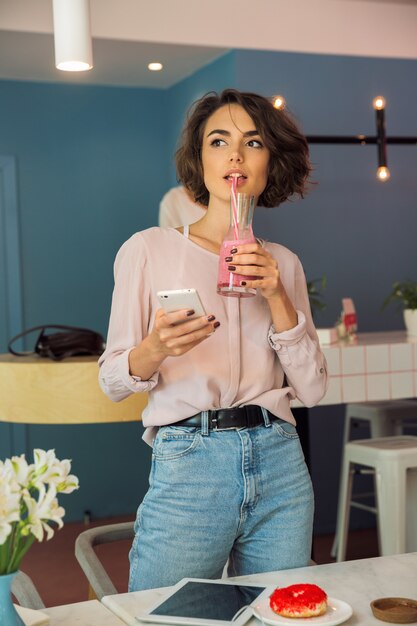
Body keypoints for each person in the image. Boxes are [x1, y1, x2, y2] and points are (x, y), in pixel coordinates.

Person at [98, 89, 328, 592]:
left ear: (271, 160)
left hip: (280, 463)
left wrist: (277, 297)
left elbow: (311, 390)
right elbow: (112, 380)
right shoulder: (148, 249)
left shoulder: (283, 263)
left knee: (282, 615)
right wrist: (156, 348)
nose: (236, 156)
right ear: (199, 161)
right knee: (166, 614)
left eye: (253, 142)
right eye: (218, 141)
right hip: (190, 464)